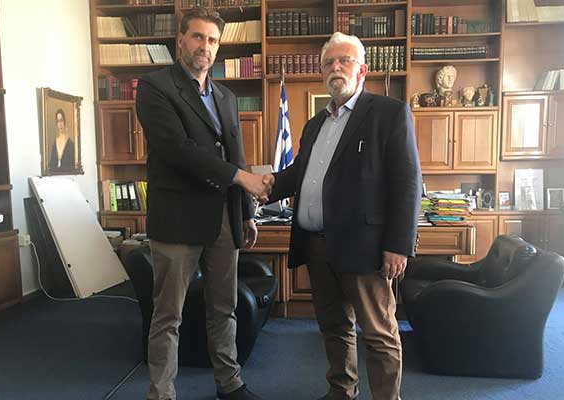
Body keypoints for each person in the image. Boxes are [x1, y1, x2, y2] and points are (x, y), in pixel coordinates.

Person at [264, 32, 422, 400]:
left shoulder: (388, 113)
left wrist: (399, 245)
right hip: (318, 246)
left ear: (362, 70)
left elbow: (407, 182)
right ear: (322, 72)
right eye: (328, 63)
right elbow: (299, 174)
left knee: (379, 334)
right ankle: (342, 392)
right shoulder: (315, 124)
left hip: (366, 248)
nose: (335, 67)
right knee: (334, 326)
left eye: (344, 60)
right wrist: (261, 184)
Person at [135, 7, 270, 400]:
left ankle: (229, 383)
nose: (205, 46)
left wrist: (245, 213)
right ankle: (161, 392)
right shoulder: (155, 86)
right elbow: (179, 150)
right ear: (180, 39)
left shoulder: (226, 96)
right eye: (197, 36)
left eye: (212, 40)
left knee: (223, 308)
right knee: (168, 315)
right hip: (177, 219)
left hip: (224, 218)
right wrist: (242, 179)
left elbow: (236, 153)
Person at [48, 109, 75, 173]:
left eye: (61, 121)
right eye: (58, 121)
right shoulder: (55, 143)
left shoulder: (70, 144)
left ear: (64, 122)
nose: (60, 124)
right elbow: (51, 165)